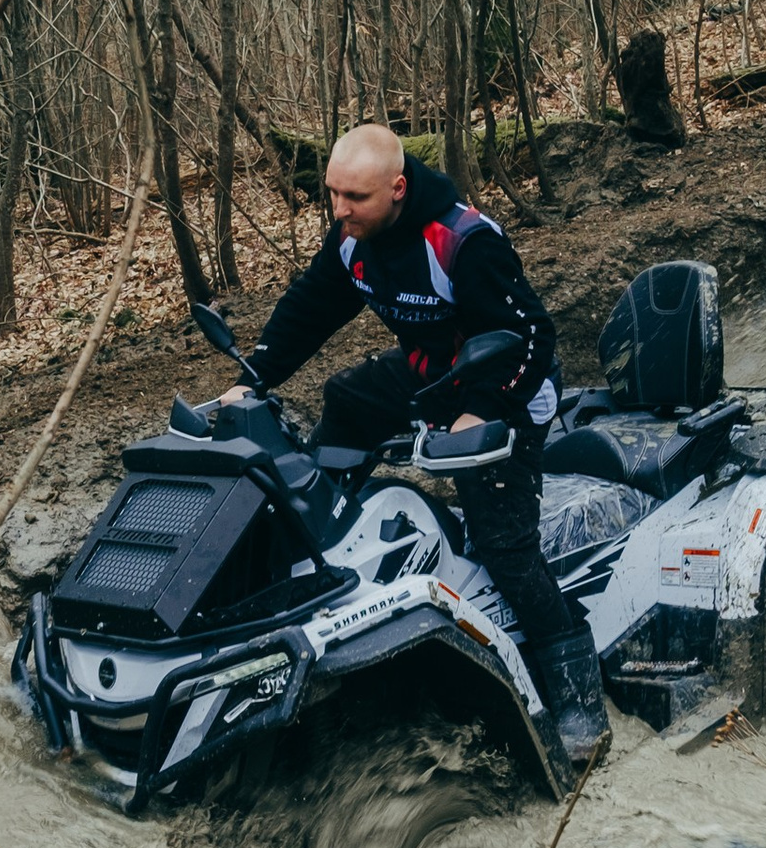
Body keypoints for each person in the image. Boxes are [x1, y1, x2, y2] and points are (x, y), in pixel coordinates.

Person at [228, 124, 612, 764]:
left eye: (355, 197)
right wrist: (251, 380)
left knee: (503, 545)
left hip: (508, 387)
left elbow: (532, 339)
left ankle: (576, 697)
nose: (339, 210)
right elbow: (310, 307)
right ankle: (324, 541)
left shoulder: (464, 242)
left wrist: (481, 411)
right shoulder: (354, 239)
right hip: (434, 371)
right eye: (332, 194)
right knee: (348, 399)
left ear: (398, 189)